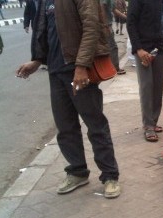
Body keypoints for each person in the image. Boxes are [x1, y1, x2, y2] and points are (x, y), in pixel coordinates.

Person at [16, 0, 121, 198]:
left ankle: (110, 176)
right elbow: (44, 32)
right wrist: (37, 61)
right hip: (56, 72)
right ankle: (78, 171)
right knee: (65, 127)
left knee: (95, 125)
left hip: (78, 71)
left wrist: (81, 66)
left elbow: (92, 27)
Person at [127, 0, 163, 142]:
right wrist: (139, 49)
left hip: (158, 47)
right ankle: (148, 125)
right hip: (143, 48)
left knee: (157, 87)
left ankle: (153, 121)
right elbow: (130, 23)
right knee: (146, 86)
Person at [101, 0, 126, 75]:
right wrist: (105, 24)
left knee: (106, 48)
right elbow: (103, 6)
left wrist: (126, 17)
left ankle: (106, 68)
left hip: (105, 25)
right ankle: (115, 68)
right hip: (105, 26)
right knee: (112, 47)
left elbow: (113, 9)